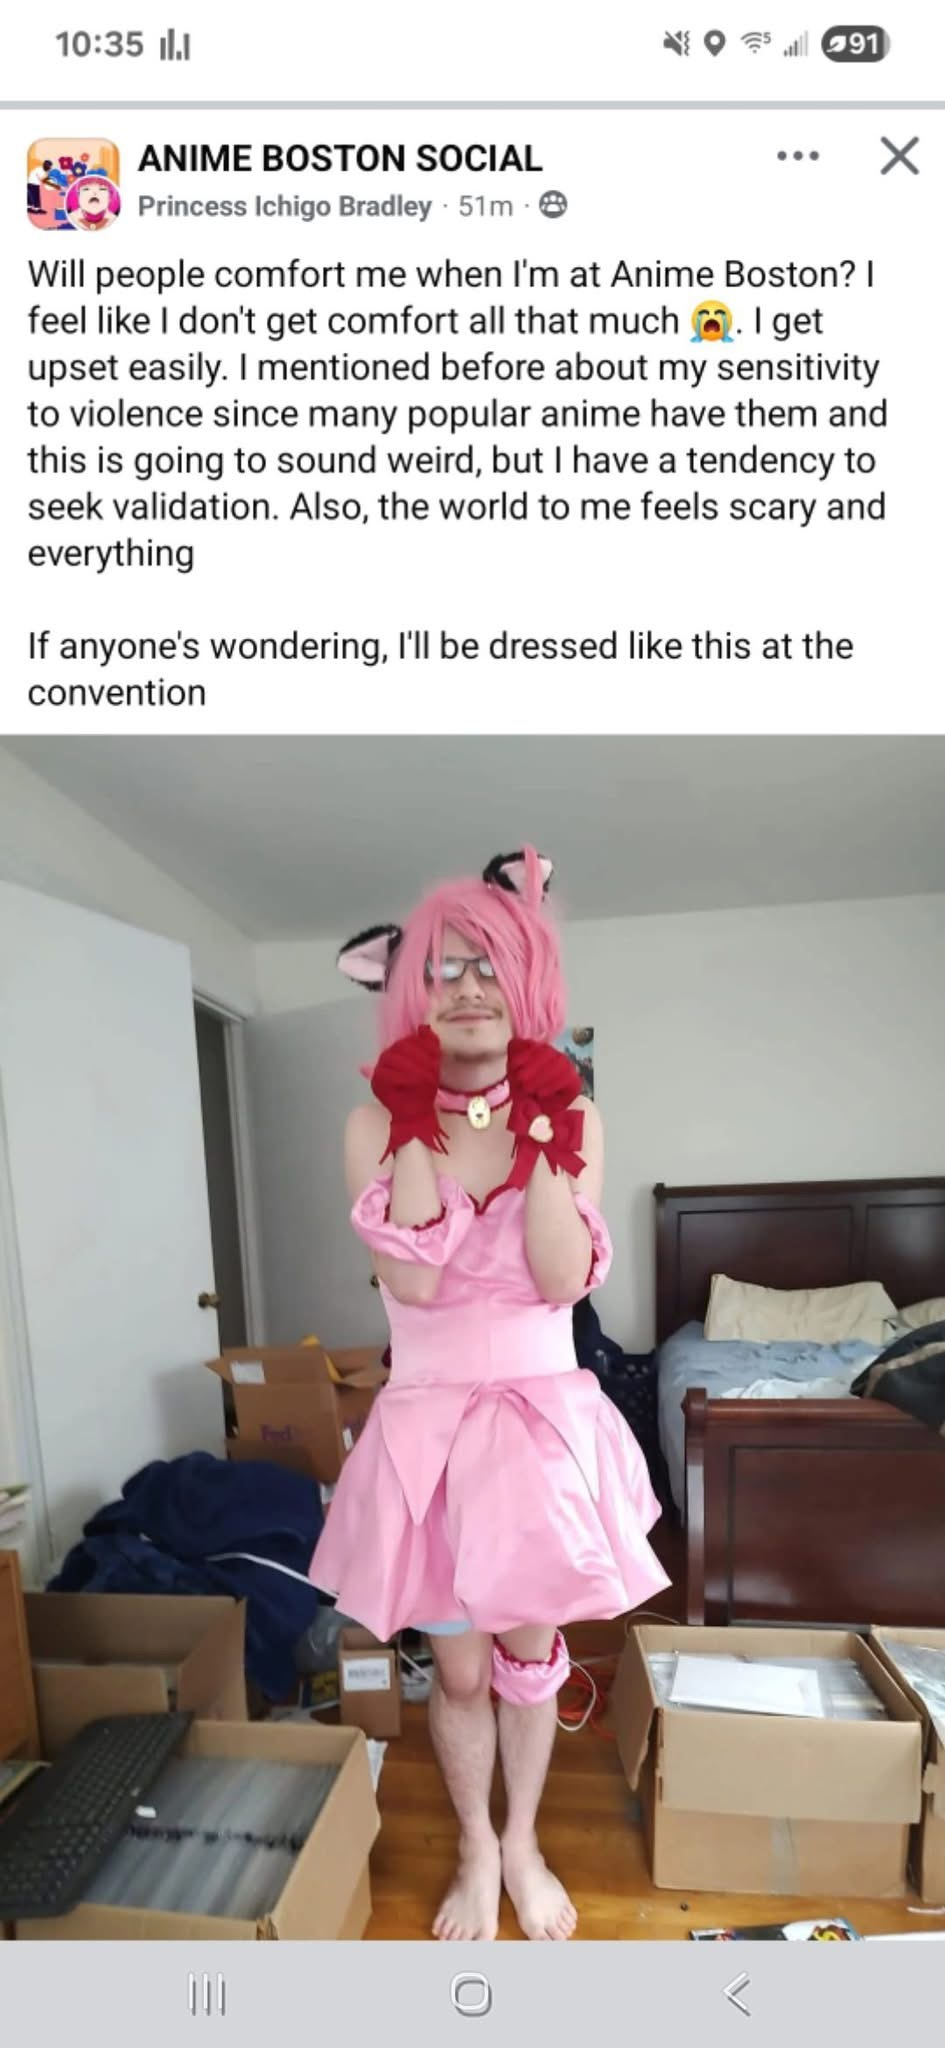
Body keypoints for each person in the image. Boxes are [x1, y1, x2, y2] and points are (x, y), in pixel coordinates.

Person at [309, 847, 670, 1941]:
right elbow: (414, 1280)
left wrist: (548, 1133)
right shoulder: (371, 1122)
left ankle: (522, 1840)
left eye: (488, 964)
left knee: (524, 1657)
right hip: (428, 1430)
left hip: (538, 1432)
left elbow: (562, 1279)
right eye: (441, 967)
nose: (466, 986)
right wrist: (415, 1119)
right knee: (457, 1672)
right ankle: (474, 1842)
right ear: (408, 989)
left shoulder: (573, 1112)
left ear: (526, 980)